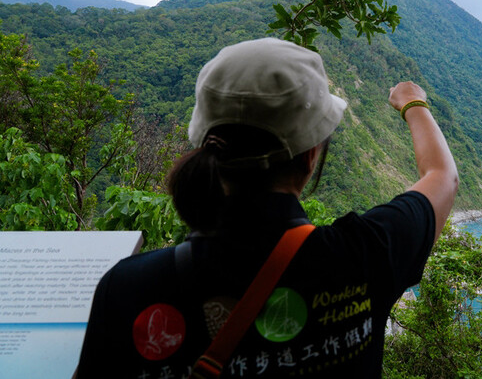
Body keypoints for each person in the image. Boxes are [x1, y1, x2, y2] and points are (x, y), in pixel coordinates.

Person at [75, 38, 458, 378]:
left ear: (204, 145)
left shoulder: (126, 289)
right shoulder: (364, 255)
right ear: (311, 155)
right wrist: (413, 103)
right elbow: (442, 176)